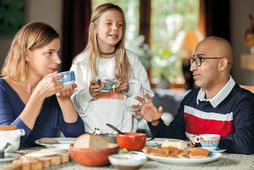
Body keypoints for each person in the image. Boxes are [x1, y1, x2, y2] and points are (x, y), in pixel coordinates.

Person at [133, 36, 254, 154]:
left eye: (200, 59)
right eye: (193, 60)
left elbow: (245, 144)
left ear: (222, 64)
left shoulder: (244, 101)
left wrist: (200, 142)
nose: (192, 68)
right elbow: (174, 137)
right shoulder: (190, 98)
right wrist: (155, 122)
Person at [70, 3, 154, 134]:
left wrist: (129, 88)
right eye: (109, 23)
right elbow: (71, 105)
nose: (115, 28)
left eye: (120, 24)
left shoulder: (131, 59)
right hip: (91, 138)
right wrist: (89, 94)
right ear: (94, 28)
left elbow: (147, 101)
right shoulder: (81, 62)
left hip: (125, 137)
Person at [0, 22, 85, 148]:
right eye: (50, 52)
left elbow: (77, 137)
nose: (58, 60)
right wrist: (38, 96)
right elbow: (7, 144)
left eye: (57, 52)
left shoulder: (51, 89)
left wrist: (64, 99)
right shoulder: (2, 89)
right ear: (27, 55)